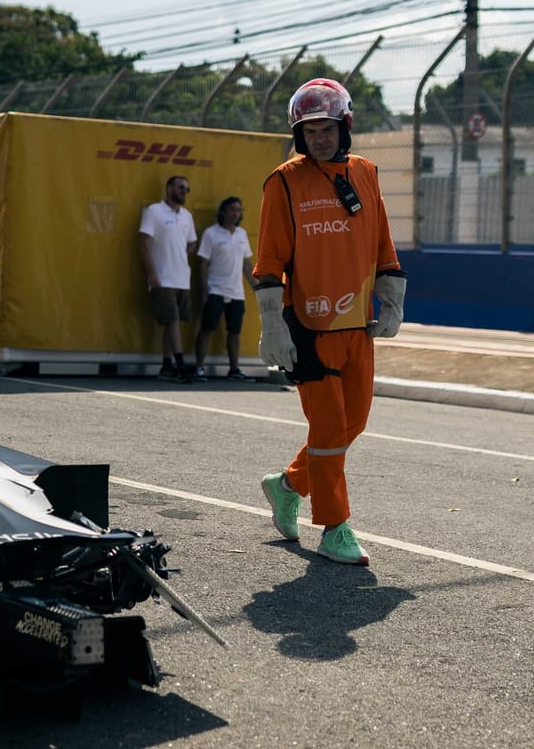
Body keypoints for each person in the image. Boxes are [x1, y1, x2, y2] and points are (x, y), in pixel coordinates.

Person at [253, 78, 406, 566]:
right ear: (300, 135)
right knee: (329, 430)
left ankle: (287, 485)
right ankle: (335, 527)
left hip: (357, 327)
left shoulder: (366, 173)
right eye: (310, 130)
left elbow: (381, 240)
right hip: (309, 330)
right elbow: (269, 259)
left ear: (346, 126)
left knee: (353, 424)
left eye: (326, 128)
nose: (319, 138)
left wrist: (392, 298)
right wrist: (272, 325)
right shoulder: (283, 181)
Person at [137, 173, 198, 381]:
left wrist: (179, 254)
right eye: (180, 187)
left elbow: (192, 242)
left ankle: (166, 365)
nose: (184, 192)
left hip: (182, 278)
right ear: (169, 188)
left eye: (186, 189)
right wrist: (152, 274)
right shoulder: (154, 211)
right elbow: (144, 242)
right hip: (161, 278)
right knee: (171, 320)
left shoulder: (187, 215)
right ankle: (181, 365)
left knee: (173, 323)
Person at [192, 195, 253, 381]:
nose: (236, 213)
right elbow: (202, 263)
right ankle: (199, 367)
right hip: (215, 290)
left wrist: (257, 288)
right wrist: (204, 290)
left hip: (236, 293)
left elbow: (247, 264)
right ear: (223, 212)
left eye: (238, 210)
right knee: (207, 328)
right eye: (232, 209)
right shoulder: (211, 233)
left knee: (234, 331)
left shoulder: (242, 234)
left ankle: (234, 369)